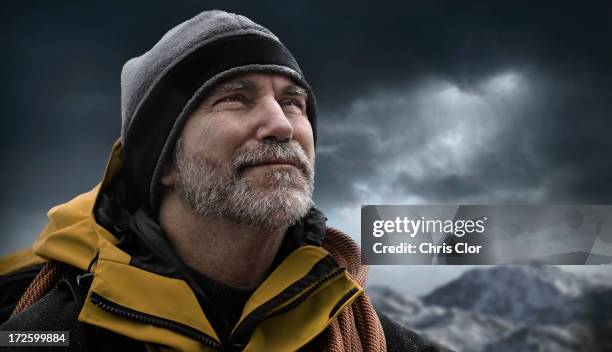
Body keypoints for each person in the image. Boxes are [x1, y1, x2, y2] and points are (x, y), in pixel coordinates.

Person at [0, 10, 448, 352]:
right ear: (163, 161)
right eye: (235, 98)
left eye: (294, 103)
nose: (281, 125)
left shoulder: (384, 342)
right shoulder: (44, 336)